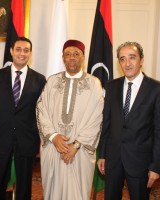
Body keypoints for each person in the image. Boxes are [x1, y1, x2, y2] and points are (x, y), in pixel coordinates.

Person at [97, 41, 160, 200]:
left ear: (141, 60)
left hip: (140, 162)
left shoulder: (158, 90)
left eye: (132, 57)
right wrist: (102, 154)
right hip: (113, 158)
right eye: (122, 59)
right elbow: (107, 124)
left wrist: (156, 167)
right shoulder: (111, 86)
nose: (127, 63)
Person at [36, 39, 104, 200]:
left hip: (80, 150)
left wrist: (76, 145)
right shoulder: (52, 81)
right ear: (63, 58)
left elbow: (97, 117)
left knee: (78, 193)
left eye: (76, 54)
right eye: (68, 54)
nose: (72, 57)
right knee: (53, 191)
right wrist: (53, 137)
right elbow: (41, 109)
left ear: (83, 57)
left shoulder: (94, 83)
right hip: (54, 147)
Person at [0, 36, 46, 200]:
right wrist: (3, 120)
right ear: (11, 51)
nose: (22, 53)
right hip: (1, 136)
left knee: (24, 184)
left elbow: (42, 108)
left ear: (30, 54)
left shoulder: (39, 79)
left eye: (26, 50)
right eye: (18, 49)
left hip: (27, 138)